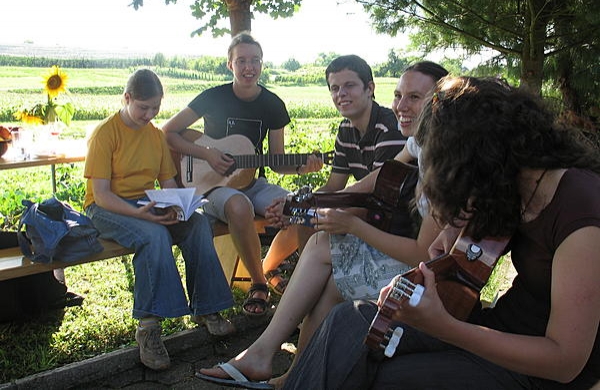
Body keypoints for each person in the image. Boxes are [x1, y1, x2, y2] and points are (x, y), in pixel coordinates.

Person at [282, 76, 600, 390]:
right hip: (501, 328)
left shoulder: (582, 216)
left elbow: (565, 362)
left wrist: (444, 327)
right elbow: (474, 227)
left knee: (382, 377)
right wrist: (453, 231)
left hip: (537, 371)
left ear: (480, 156)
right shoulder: (516, 182)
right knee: (349, 321)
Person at [196, 61, 448, 389]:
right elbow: (374, 179)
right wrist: (304, 206)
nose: (401, 105)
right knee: (322, 263)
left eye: (414, 97)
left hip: (419, 269)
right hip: (391, 240)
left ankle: (268, 356)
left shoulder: (434, 157)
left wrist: (334, 219)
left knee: (321, 250)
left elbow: (396, 223)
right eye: (399, 95)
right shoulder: (418, 142)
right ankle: (292, 371)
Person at [84, 69, 235, 371]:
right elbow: (100, 195)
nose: (150, 114)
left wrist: (175, 207)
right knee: (153, 235)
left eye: (156, 107)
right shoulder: (106, 133)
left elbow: (167, 183)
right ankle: (149, 328)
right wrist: (140, 214)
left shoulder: (155, 136)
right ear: (127, 98)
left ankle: (207, 309)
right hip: (106, 209)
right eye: (143, 107)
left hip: (146, 203)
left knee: (197, 224)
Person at [162, 32, 322, 316]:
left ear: (262, 64)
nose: (249, 67)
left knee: (302, 207)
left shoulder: (273, 104)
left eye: (255, 60)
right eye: (242, 61)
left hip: (252, 182)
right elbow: (168, 132)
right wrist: (207, 154)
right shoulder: (213, 97)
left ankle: (272, 267)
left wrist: (301, 167)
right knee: (239, 205)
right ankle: (258, 284)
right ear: (230, 64)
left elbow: (276, 161)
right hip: (212, 187)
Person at [260, 54, 408, 294]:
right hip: (368, 206)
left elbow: (378, 190)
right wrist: (296, 204)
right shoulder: (346, 129)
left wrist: (303, 207)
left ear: (370, 88)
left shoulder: (388, 127)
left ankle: (303, 285)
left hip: (390, 215)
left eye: (349, 85)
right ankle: (287, 277)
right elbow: (333, 185)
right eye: (335, 88)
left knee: (309, 216)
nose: (341, 94)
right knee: (303, 214)